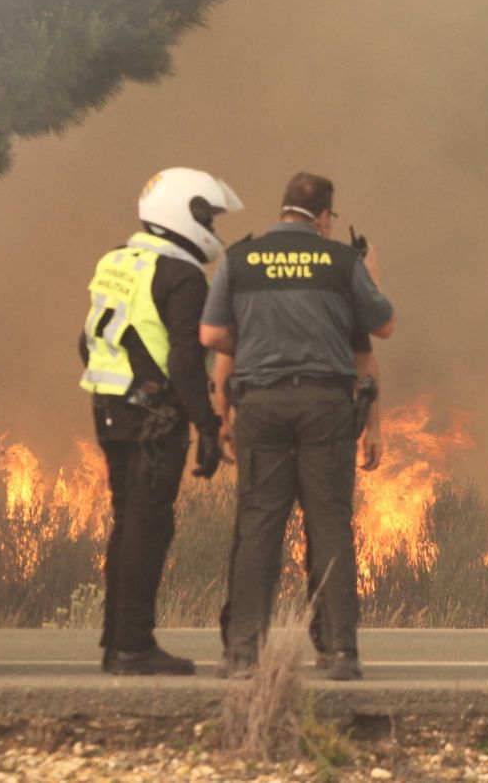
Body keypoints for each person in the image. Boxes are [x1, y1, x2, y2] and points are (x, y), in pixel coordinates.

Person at [201, 172, 394, 680]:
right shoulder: (342, 262)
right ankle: (340, 653)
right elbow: (383, 327)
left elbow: (211, 335)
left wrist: (250, 362)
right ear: (324, 217)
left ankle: (243, 654)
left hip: (261, 406)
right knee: (329, 526)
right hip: (324, 406)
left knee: (258, 526)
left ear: (284, 208)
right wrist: (370, 274)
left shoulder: (240, 259)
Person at [78, 167, 241, 676]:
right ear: (185, 213)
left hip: (110, 408)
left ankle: (117, 641)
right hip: (153, 419)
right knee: (148, 527)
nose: (212, 227)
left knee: (128, 522)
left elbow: (86, 341)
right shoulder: (182, 276)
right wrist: (207, 427)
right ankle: (132, 646)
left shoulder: (117, 260)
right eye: (207, 217)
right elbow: (185, 360)